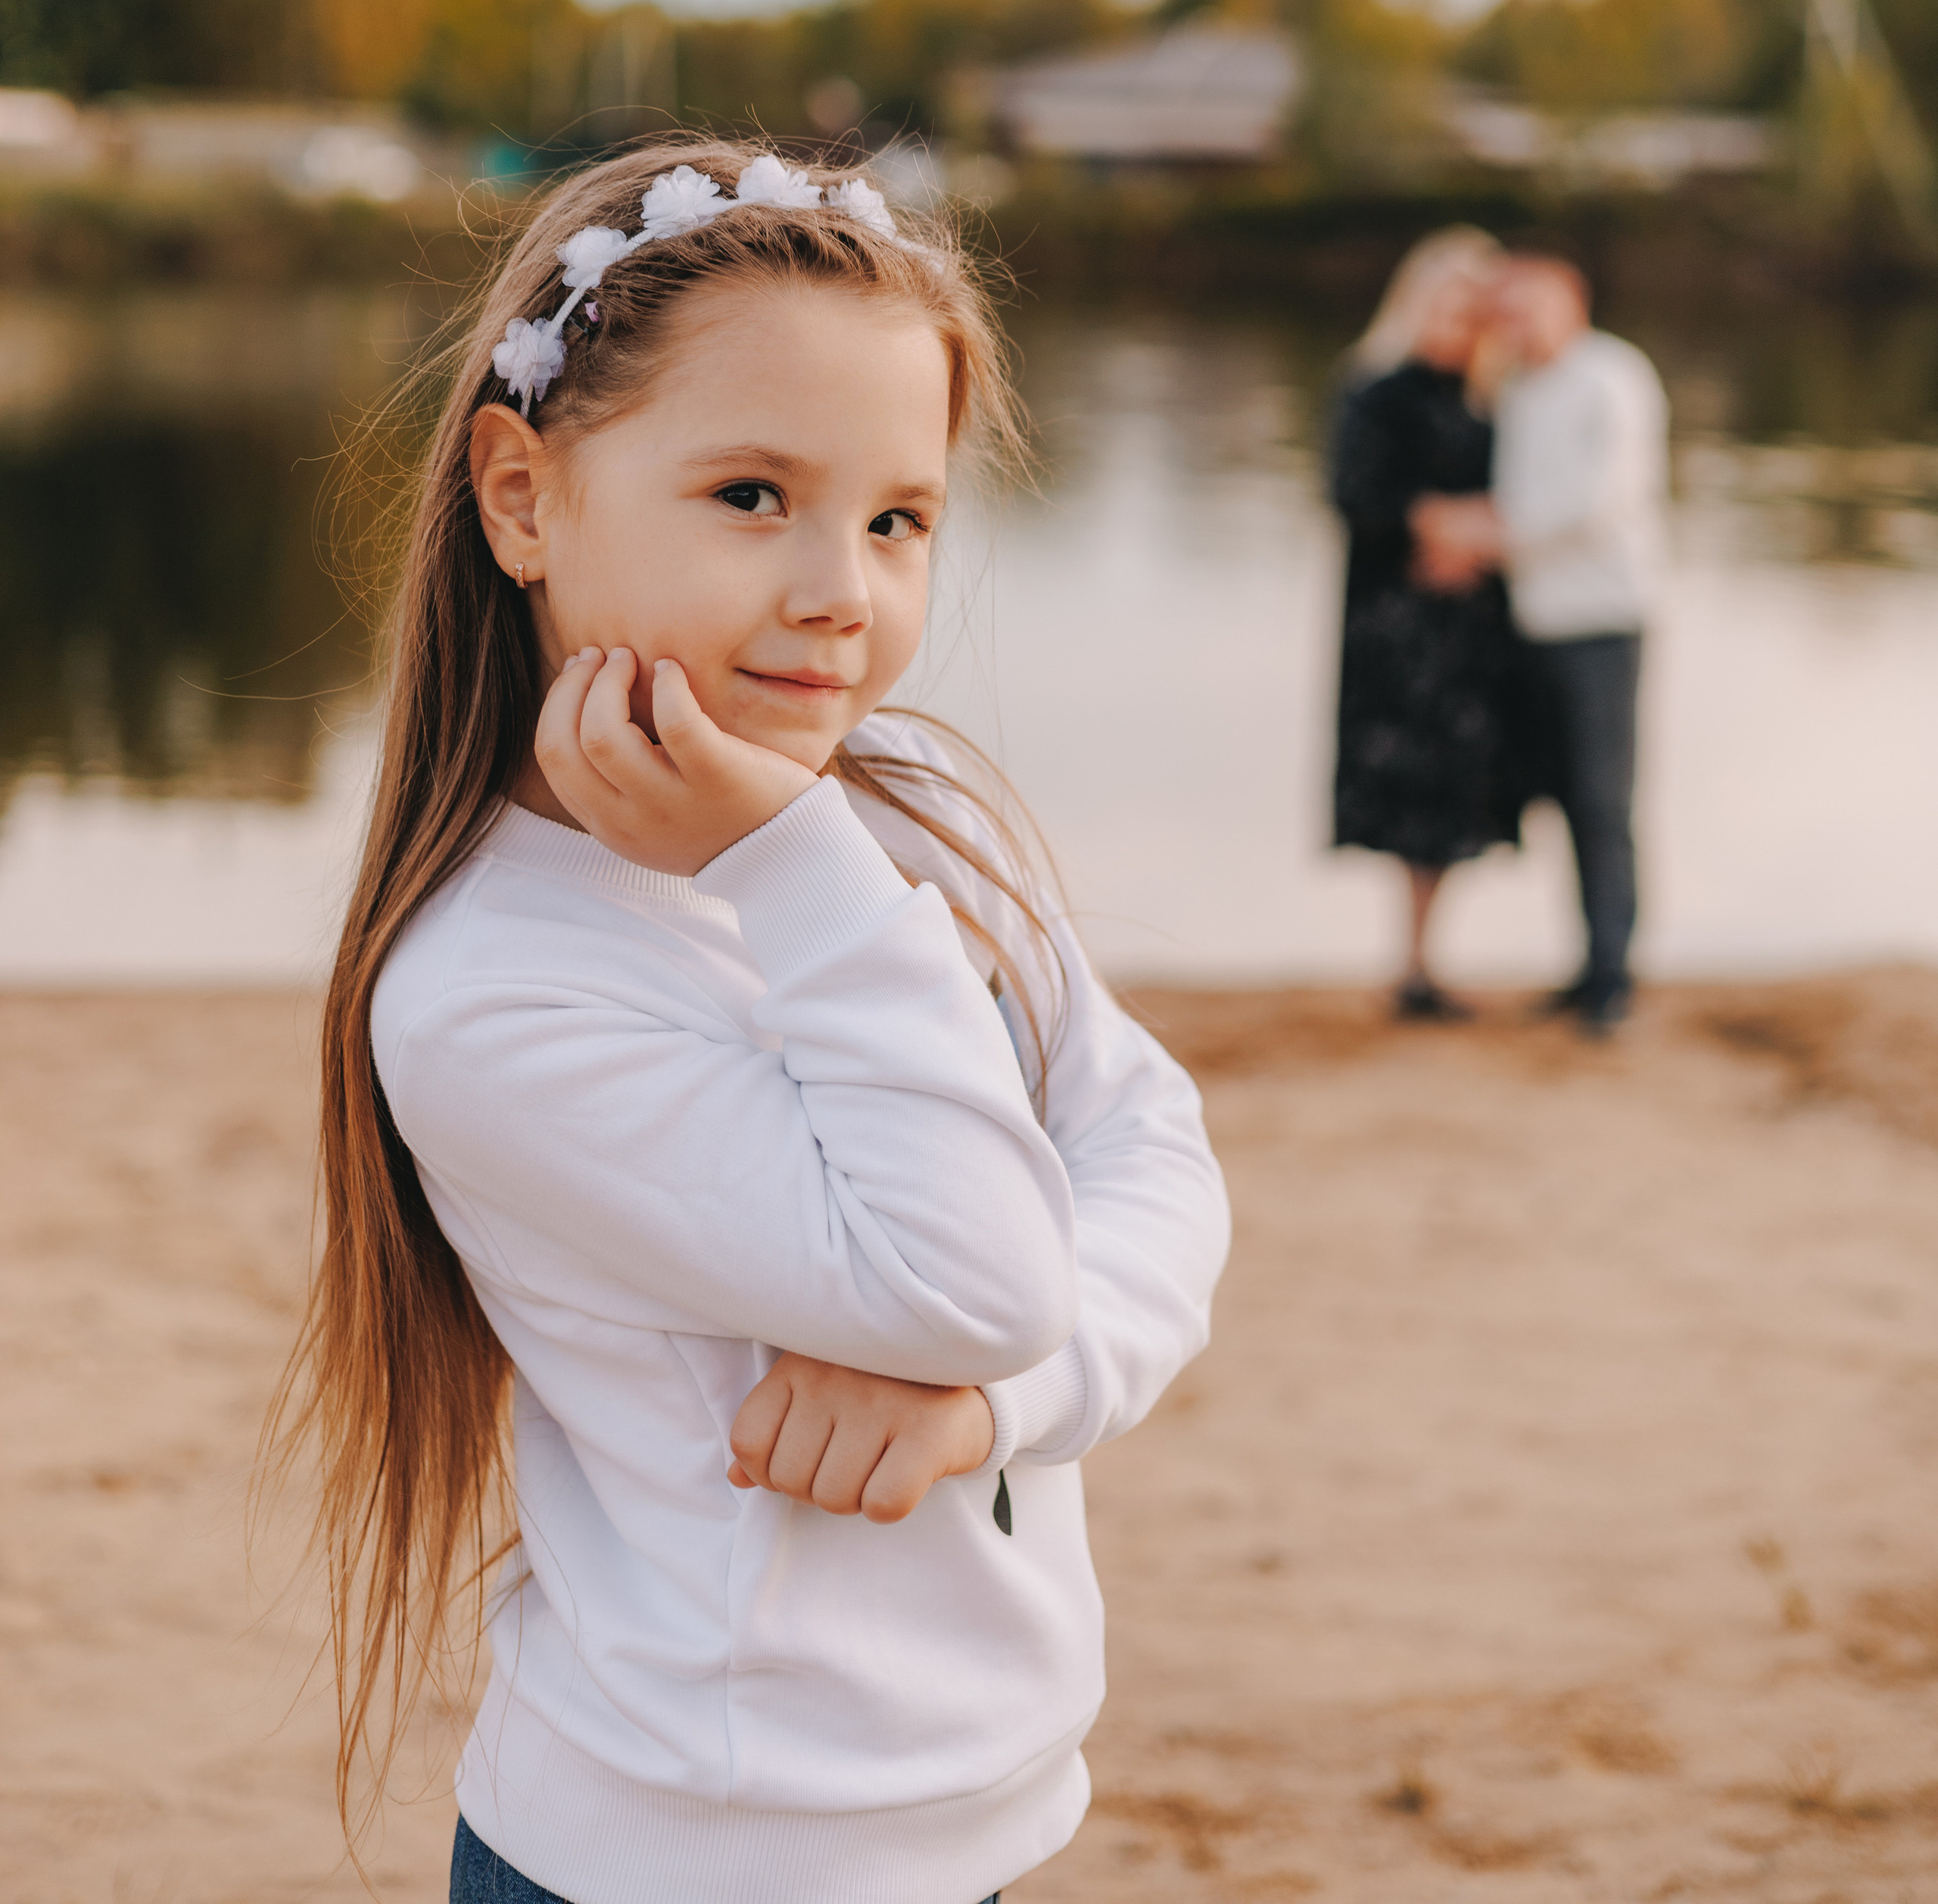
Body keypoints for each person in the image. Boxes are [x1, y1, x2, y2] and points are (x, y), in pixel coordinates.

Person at [270, 139, 1229, 1904]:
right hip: (688, 1851)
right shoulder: (493, 991)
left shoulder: (912, 804)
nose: (838, 591)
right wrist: (789, 863)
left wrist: (985, 1408)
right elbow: (980, 1273)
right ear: (521, 497)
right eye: (748, 495)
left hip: (966, 1821)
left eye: (896, 519)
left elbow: (1148, 1152)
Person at [1419, 255, 1668, 1036]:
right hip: (1532, 622)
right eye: (1509, 310)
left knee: (1601, 800)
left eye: (1530, 307)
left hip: (1601, 622)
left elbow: (1597, 502)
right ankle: (1584, 967)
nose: (1516, 322)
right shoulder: (1520, 390)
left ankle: (1611, 978)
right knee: (1557, 797)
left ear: (1572, 303)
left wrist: (1481, 534)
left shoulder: (1614, 377)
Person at [1328, 229, 1527, 1022]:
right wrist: (1435, 525)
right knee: (1406, 794)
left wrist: (1481, 538)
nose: (1456, 321)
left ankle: (1424, 959)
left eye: (1471, 309)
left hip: (1471, 628)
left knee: (1459, 796)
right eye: (1446, 303)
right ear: (1413, 302)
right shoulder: (1372, 389)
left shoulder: (1495, 399)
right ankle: (1412, 964)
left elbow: (1525, 497)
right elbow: (1352, 494)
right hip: (1396, 630)